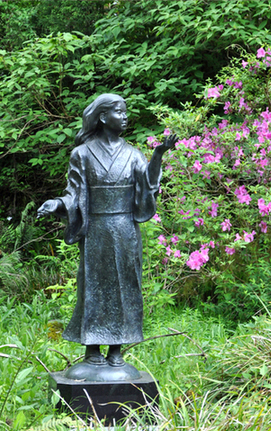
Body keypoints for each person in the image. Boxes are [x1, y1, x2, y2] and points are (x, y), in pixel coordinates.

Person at [38, 93, 177, 372]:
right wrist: (57, 204)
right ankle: (92, 349)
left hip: (126, 230)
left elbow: (148, 186)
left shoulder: (133, 154)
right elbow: (74, 194)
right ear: (102, 117)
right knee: (93, 287)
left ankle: (116, 349)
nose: (125, 117)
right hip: (96, 231)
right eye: (119, 112)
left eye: (125, 112)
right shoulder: (82, 154)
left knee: (126, 286)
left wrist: (158, 154)